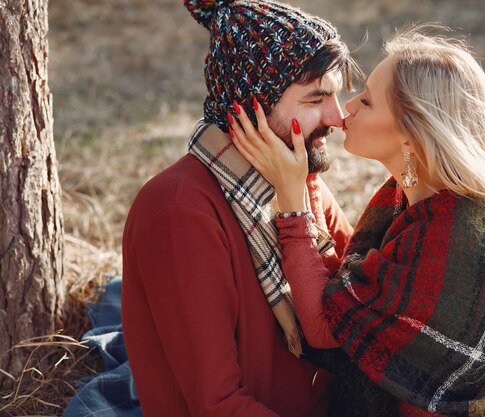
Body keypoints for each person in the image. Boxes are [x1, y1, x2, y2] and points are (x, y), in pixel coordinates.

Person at [228, 26, 485, 416]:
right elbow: (357, 294)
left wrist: (292, 202)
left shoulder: (457, 236)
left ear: (410, 136)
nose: (346, 108)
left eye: (366, 102)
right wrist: (308, 172)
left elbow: (324, 325)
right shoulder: (410, 195)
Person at [121, 0, 361, 416]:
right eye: (315, 99)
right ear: (251, 106)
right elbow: (217, 405)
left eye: (336, 96)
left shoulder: (299, 185)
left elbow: (362, 312)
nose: (338, 117)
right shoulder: (178, 213)